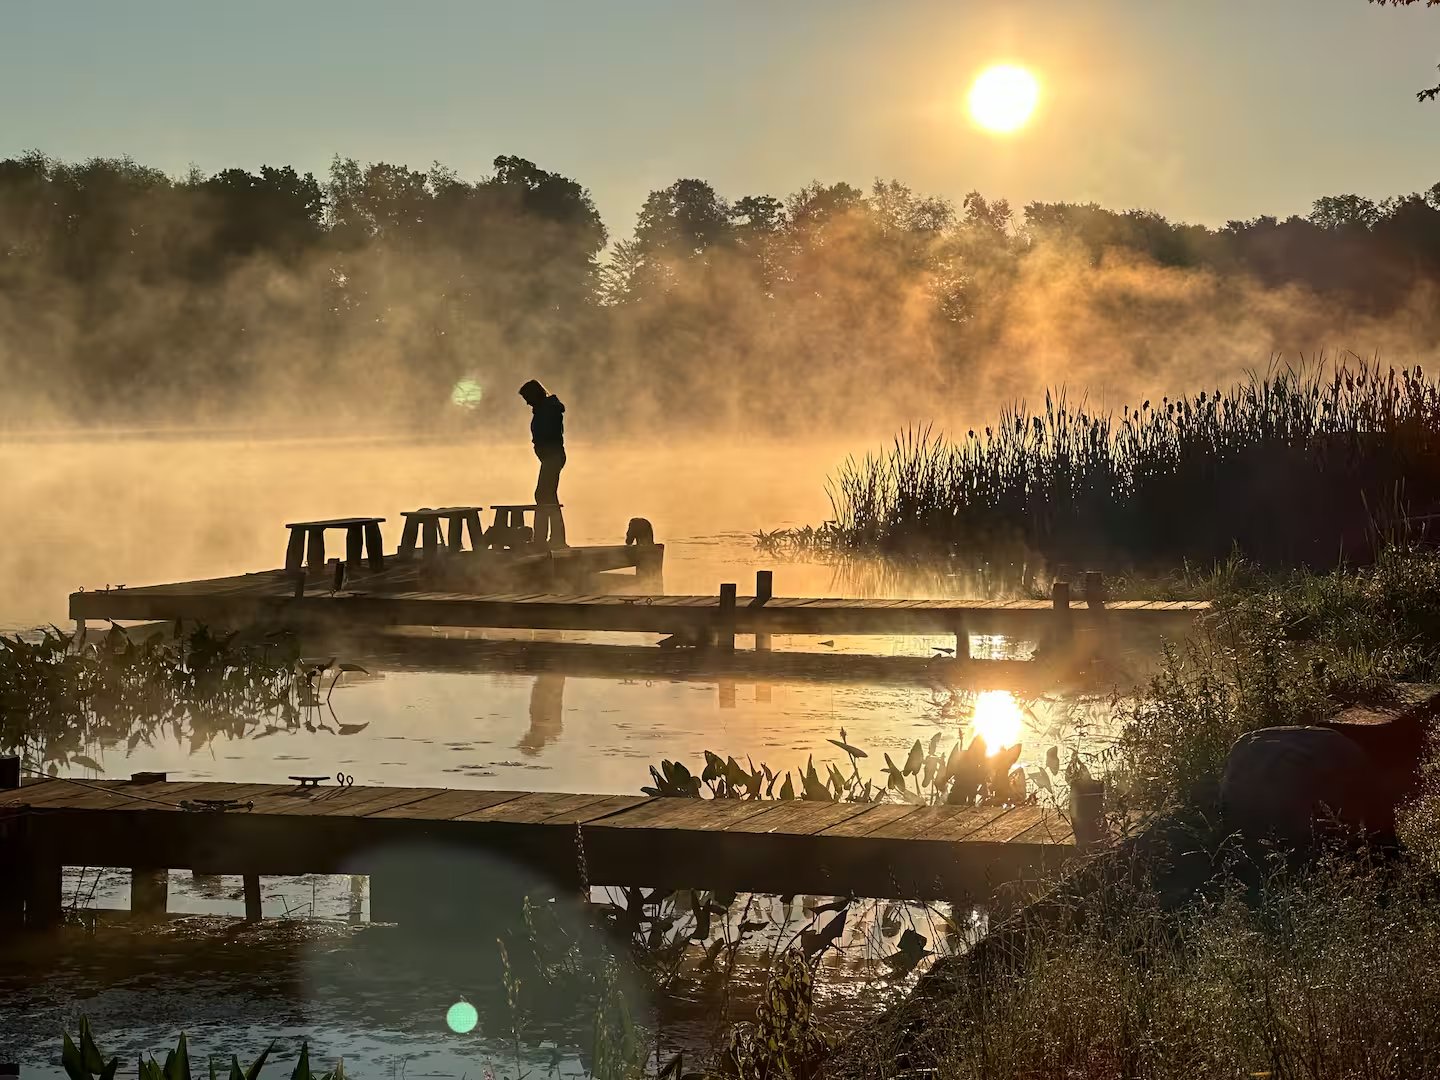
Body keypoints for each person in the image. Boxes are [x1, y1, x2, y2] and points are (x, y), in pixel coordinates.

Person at [518, 379, 567, 547]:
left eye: (527, 398)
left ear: (535, 395)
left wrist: (540, 445)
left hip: (553, 457)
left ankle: (544, 539)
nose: (527, 403)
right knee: (548, 496)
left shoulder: (548, 410)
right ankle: (550, 538)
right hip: (550, 457)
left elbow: (549, 434)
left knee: (543, 495)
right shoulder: (544, 409)